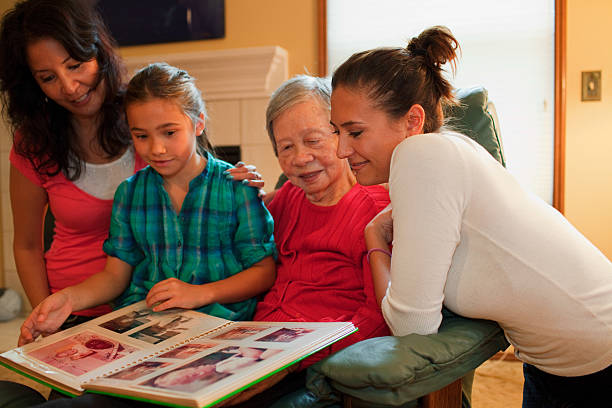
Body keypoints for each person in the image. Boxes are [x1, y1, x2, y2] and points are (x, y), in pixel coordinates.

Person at [330, 26, 612, 407]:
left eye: (355, 132)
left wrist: (374, 240)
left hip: (594, 358)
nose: (342, 149)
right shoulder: (446, 150)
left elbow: (413, 325)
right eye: (336, 132)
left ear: (412, 121)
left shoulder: (421, 158)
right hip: (559, 360)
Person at [18, 62, 276, 348]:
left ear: (198, 123)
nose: (156, 148)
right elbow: (114, 276)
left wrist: (201, 293)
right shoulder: (129, 194)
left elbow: (264, 272)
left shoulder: (238, 187)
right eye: (141, 136)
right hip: (145, 331)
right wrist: (68, 298)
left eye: (169, 132)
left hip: (221, 330)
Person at [0, 0, 145, 321]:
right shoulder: (33, 143)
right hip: (73, 309)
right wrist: (45, 316)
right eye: (47, 78)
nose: (68, 87)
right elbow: (26, 246)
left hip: (152, 304)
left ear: (97, 50)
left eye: (75, 64)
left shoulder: (146, 113)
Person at [254, 75, 390, 367]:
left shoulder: (375, 214)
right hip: (255, 344)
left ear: (341, 136)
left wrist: (313, 357)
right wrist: (235, 195)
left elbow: (378, 316)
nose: (301, 158)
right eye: (286, 147)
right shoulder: (287, 198)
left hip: (311, 353)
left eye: (313, 141)